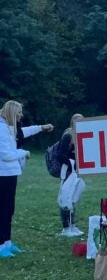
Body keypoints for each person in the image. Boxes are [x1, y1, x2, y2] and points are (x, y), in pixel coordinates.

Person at [0, 101, 53, 258]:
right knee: (3, 210)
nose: (21, 115)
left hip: (9, 174)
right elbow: (6, 155)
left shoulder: (9, 127)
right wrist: (24, 153)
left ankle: (7, 242)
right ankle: (1, 245)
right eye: (19, 112)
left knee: (9, 209)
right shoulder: (1, 129)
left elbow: (23, 132)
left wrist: (41, 127)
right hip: (3, 175)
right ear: (12, 113)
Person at [56, 113, 84, 236]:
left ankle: (72, 225)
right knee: (65, 198)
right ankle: (66, 228)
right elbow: (60, 155)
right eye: (77, 121)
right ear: (72, 123)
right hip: (68, 171)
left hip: (76, 171)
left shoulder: (83, 135)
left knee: (73, 198)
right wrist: (71, 163)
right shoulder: (68, 135)